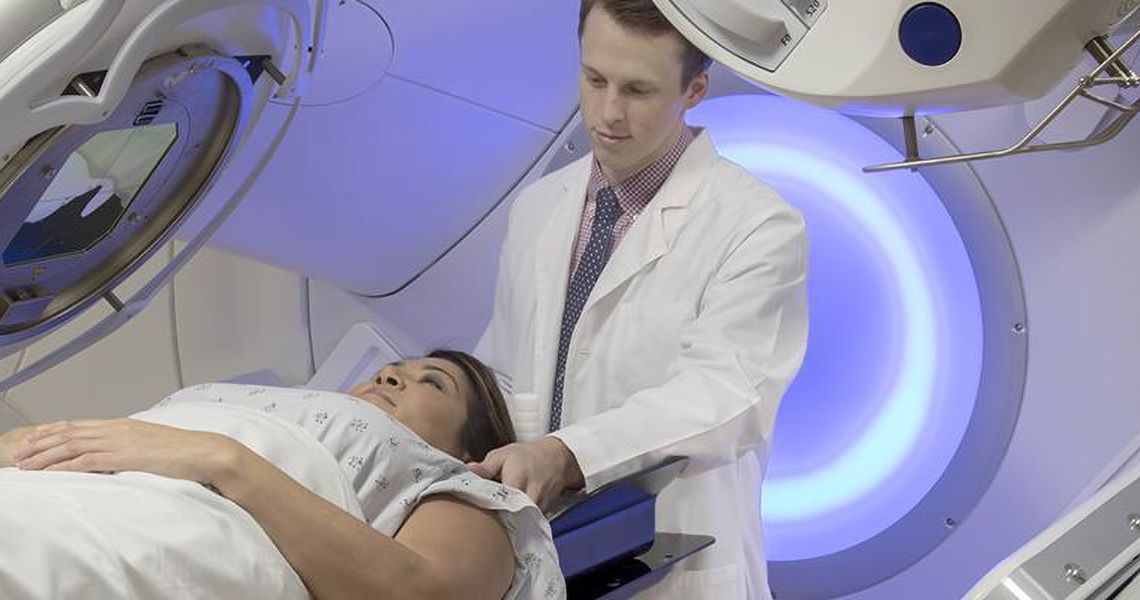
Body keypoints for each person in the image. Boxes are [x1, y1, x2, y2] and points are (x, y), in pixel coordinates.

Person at [471, 0, 809, 598]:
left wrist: (567, 455)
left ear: (695, 89)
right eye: (594, 78)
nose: (607, 113)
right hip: (544, 560)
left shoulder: (759, 226)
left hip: (681, 566)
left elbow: (723, 398)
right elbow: (502, 370)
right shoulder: (538, 208)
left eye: (638, 90)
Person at [0, 350, 564, 599]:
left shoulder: (457, 489)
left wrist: (221, 458)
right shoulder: (233, 403)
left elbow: (422, 597)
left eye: (433, 382)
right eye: (394, 367)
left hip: (179, 525)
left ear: (469, 450)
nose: (392, 373)